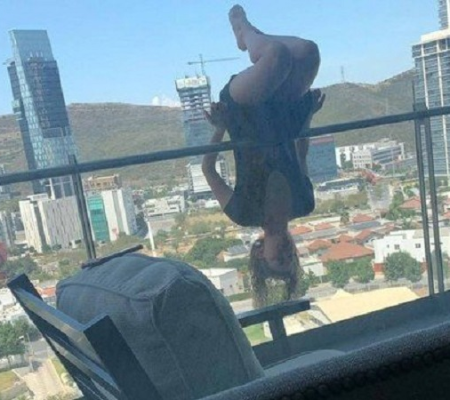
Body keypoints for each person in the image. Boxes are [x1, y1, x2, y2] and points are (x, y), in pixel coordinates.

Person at [202, 5, 324, 306]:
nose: (286, 253)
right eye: (290, 258)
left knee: (278, 57)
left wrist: (220, 128)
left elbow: (208, 171)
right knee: (309, 52)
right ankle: (254, 35)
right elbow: (300, 152)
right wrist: (308, 115)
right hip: (283, 114)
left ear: (259, 253)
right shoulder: (304, 203)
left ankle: (243, 30)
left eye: (278, 258)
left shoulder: (243, 212)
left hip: (242, 110)